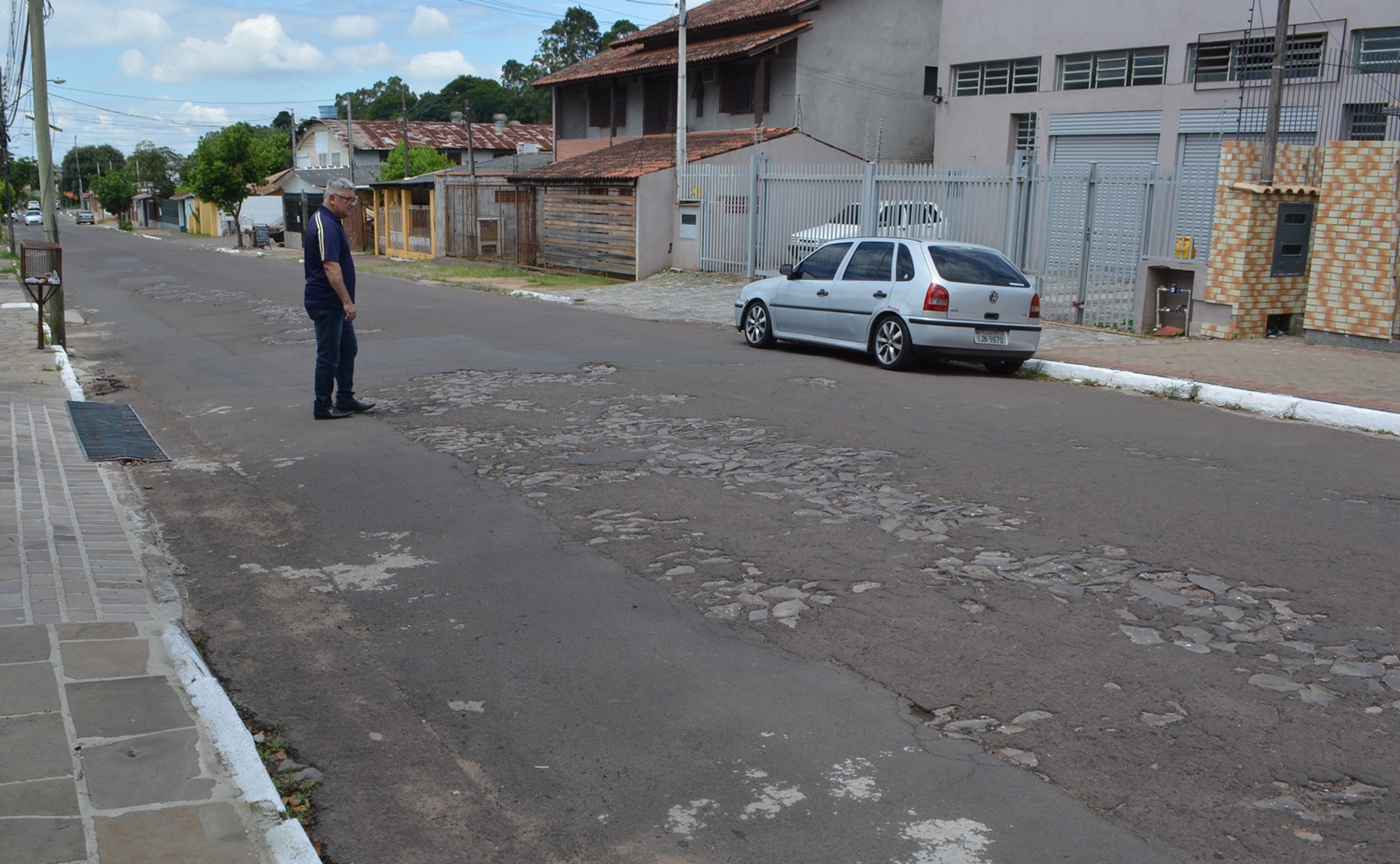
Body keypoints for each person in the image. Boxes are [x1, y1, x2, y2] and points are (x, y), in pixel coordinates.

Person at [304, 177, 374, 419]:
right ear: (332, 198)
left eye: (353, 200)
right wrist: (347, 301)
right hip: (327, 302)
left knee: (348, 348)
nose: (352, 204)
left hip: (334, 303)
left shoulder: (333, 222)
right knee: (329, 355)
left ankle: (344, 398)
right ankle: (322, 405)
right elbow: (330, 267)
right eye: (348, 199)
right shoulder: (325, 225)